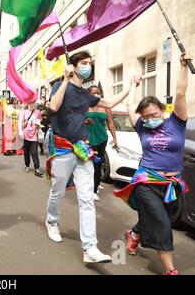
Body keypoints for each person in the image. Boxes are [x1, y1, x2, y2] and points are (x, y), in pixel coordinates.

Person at [45, 50, 139, 263]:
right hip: (62, 149)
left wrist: (130, 87)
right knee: (58, 191)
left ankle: (90, 248)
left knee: (87, 198)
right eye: (84, 63)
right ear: (74, 66)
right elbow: (53, 106)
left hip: (83, 150)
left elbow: (110, 103)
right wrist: (64, 79)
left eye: (90, 63)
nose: (88, 66)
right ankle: (52, 222)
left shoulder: (87, 95)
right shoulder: (60, 86)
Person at [114, 53, 192, 275]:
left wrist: (183, 65)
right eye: (145, 116)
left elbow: (180, 92)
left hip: (172, 183)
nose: (149, 119)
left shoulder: (176, 122)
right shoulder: (142, 127)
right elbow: (130, 105)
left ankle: (135, 234)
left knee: (164, 216)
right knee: (161, 223)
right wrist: (133, 85)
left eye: (153, 114)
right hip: (147, 181)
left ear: (164, 111)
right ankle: (170, 270)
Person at [85, 85, 118, 201]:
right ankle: (87, 186)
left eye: (98, 93)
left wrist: (115, 138)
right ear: (89, 94)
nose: (97, 95)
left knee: (98, 164)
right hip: (87, 139)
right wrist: (85, 121)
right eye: (94, 93)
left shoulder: (105, 106)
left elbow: (110, 123)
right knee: (87, 164)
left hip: (102, 138)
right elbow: (76, 120)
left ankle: (94, 188)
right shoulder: (84, 105)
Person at [18, 101, 43, 177]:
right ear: (28, 104)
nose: (33, 105)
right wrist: (21, 132)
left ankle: (37, 168)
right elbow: (20, 122)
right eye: (32, 103)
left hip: (34, 134)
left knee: (34, 152)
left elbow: (40, 119)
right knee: (26, 151)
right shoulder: (24, 112)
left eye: (34, 103)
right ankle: (27, 165)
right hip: (26, 134)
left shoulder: (37, 112)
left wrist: (38, 123)